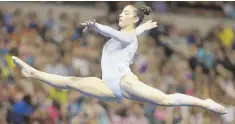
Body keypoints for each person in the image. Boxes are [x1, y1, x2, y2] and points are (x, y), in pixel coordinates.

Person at [12, 5, 226, 115]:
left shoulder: (126, 35)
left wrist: (97, 27)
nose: (121, 15)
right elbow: (129, 35)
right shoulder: (132, 34)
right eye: (121, 12)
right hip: (109, 87)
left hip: (124, 81)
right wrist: (142, 27)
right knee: (72, 82)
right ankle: (32, 73)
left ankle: (204, 103)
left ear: (133, 18)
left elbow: (118, 35)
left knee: (165, 100)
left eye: (125, 13)